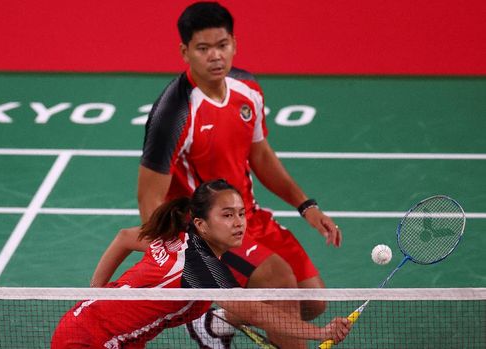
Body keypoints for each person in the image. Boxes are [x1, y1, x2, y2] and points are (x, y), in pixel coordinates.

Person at [91, 2, 343, 347]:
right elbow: (148, 196)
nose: (215, 57)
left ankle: (216, 316)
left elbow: (261, 155)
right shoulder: (174, 113)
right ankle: (214, 302)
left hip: (246, 214)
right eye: (203, 48)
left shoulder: (247, 89)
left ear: (234, 44)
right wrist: (176, 255)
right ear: (185, 51)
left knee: (313, 302)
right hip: (203, 227)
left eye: (222, 45)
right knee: (279, 281)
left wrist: (306, 205)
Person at [53, 180, 350, 348]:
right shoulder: (201, 269)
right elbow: (258, 312)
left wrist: (95, 293)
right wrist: (319, 332)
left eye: (241, 214)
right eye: (227, 215)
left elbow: (124, 238)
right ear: (202, 224)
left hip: (106, 332)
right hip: (89, 341)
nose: (238, 224)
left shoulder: (180, 238)